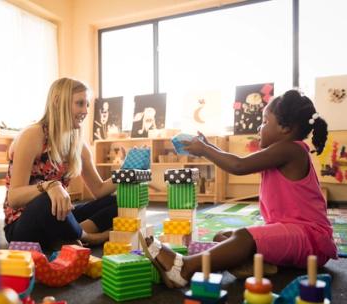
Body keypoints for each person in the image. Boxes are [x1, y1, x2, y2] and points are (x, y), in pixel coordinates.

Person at [141, 89, 337, 288]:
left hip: (309, 239)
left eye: (265, 121)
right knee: (224, 237)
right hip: (291, 233)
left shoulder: (291, 150)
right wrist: (210, 147)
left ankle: (185, 268)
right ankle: (259, 264)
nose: (260, 127)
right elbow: (238, 162)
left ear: (285, 128)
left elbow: (239, 166)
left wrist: (205, 150)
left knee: (243, 237)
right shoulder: (283, 150)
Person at [3, 77, 118, 251]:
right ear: (57, 102)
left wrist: (126, 173)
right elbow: (14, 198)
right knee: (46, 201)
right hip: (23, 224)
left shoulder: (78, 142)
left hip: (59, 214)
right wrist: (50, 186)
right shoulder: (32, 135)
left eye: (87, 104)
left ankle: (67, 234)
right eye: (80, 103)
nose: (86, 111)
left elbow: (99, 189)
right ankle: (86, 237)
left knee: (115, 202)